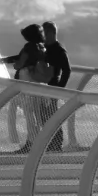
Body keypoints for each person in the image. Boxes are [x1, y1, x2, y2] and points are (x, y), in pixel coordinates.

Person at [8, 24, 56, 152]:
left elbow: (20, 63)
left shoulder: (28, 47)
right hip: (38, 85)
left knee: (29, 116)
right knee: (37, 116)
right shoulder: (42, 47)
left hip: (27, 82)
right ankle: (38, 143)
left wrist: (13, 64)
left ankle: (30, 144)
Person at [40, 21, 72, 151]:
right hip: (41, 87)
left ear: (52, 33)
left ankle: (57, 144)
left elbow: (67, 70)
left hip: (53, 87)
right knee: (43, 116)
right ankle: (48, 143)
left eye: (45, 33)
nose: (43, 36)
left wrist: (59, 88)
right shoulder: (42, 48)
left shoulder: (59, 50)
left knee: (52, 116)